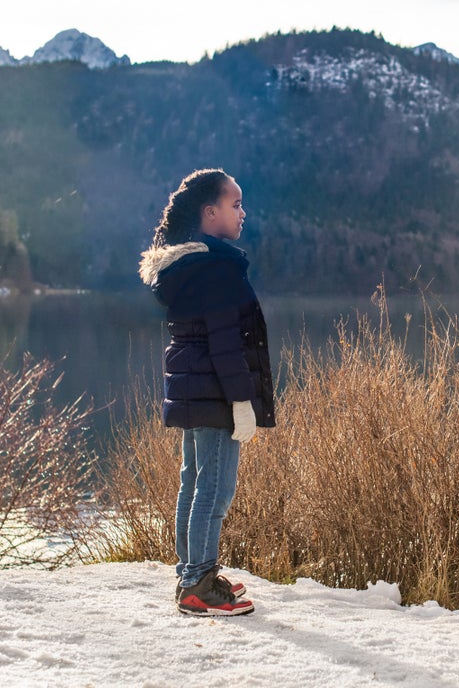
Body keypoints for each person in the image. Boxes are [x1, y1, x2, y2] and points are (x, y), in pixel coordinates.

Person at [138, 168, 275, 617]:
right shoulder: (216, 267)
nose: (243, 213)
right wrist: (241, 401)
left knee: (193, 483)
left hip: (196, 389)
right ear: (209, 212)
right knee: (214, 490)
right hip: (214, 393)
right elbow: (225, 341)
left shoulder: (189, 265)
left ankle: (190, 574)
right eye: (235, 204)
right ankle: (198, 585)